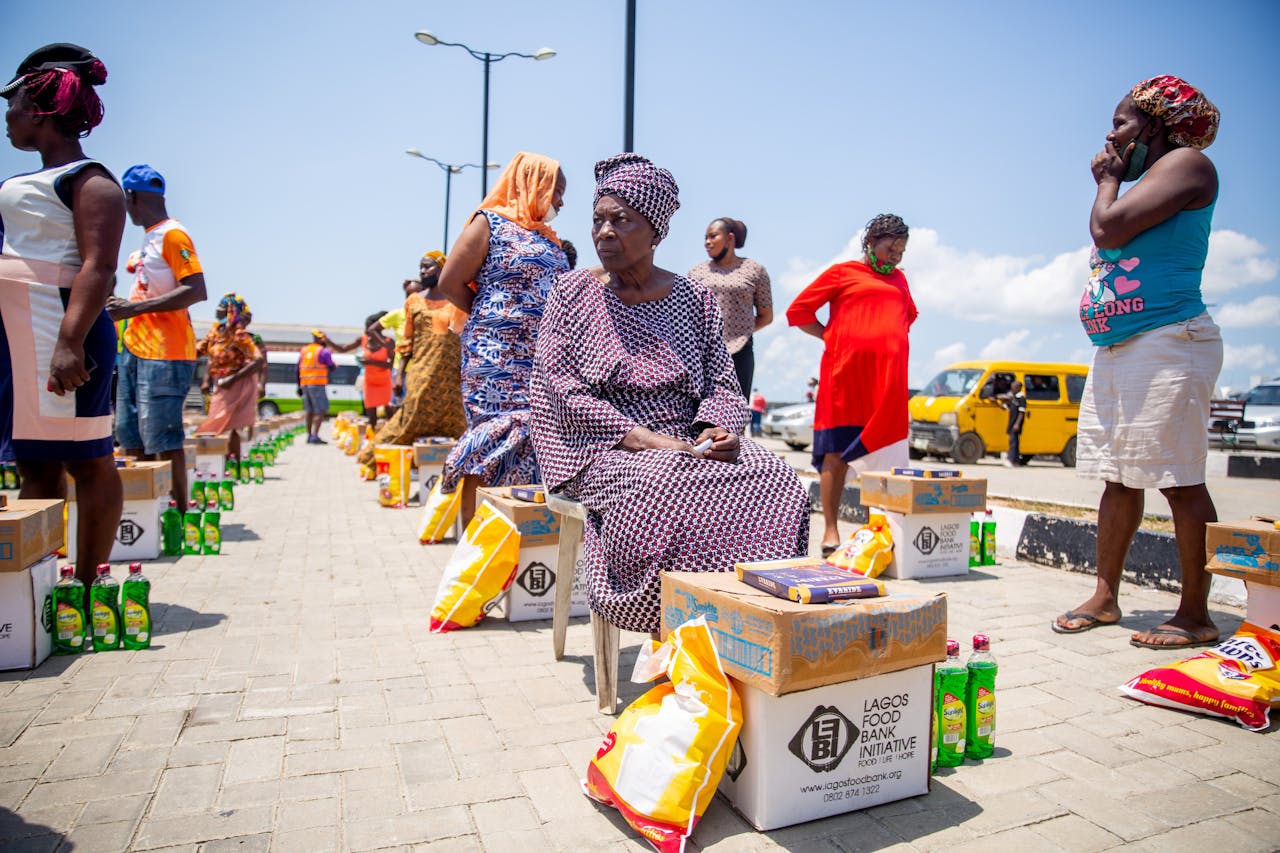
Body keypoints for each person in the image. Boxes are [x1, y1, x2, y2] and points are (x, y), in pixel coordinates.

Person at [531, 153, 810, 634]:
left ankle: (749, 617)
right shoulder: (571, 292)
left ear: (656, 232)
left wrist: (716, 429)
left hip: (686, 440)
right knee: (662, 483)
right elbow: (559, 387)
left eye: (621, 220)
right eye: (598, 220)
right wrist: (644, 439)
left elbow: (723, 380)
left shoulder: (693, 297)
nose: (604, 232)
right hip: (596, 445)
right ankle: (674, 616)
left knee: (775, 476)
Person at [1054, 76, 1224, 650]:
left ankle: (1195, 614)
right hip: (1122, 346)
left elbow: (1108, 228)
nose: (1111, 133)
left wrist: (1107, 181)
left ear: (1156, 125)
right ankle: (1105, 597)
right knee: (1119, 478)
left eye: (1122, 122)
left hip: (1171, 339)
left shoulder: (1187, 164)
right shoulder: (1147, 177)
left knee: (1179, 479)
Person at [0, 43, 124, 604]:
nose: (7, 114)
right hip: (20, 339)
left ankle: (90, 585)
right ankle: (39, 592)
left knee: (87, 459)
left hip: (59, 335)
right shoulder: (33, 179)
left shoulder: (90, 180)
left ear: (42, 109)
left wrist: (69, 343)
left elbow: (98, 267)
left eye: (15, 102)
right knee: (35, 460)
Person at [438, 152, 568, 523]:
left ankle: (516, 537)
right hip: (494, 357)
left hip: (540, 358)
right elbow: (450, 282)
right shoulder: (489, 223)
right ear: (532, 184)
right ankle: (472, 541)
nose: (560, 201)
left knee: (531, 439)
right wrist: (494, 318)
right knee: (493, 438)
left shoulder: (546, 236)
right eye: (556, 190)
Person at [787, 214, 916, 557]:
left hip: (885, 388)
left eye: (902, 250)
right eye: (891, 247)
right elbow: (799, 311)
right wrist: (831, 334)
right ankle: (830, 530)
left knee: (885, 459)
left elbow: (906, 319)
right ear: (872, 241)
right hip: (844, 381)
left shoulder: (901, 280)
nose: (896, 256)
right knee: (835, 455)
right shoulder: (843, 273)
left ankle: (881, 534)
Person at [106, 163, 207, 507]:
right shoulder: (150, 239)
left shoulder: (172, 234)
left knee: (163, 437)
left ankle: (178, 512)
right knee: (129, 436)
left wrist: (132, 309)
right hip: (135, 347)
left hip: (165, 352)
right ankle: (143, 510)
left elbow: (195, 289)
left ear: (130, 197)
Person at [357, 252, 466, 468]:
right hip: (422, 373)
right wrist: (399, 377)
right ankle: (373, 458)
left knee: (456, 424)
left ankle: (450, 468)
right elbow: (406, 342)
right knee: (409, 421)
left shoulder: (456, 299)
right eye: (421, 267)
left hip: (451, 378)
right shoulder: (415, 301)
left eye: (428, 267)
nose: (423, 272)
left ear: (443, 269)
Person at [687, 217, 773, 398]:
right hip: (703, 352)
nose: (707, 242)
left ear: (730, 239)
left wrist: (741, 332)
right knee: (701, 411)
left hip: (741, 351)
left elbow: (766, 316)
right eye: (705, 238)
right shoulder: (696, 273)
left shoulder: (755, 270)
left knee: (736, 411)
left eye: (713, 236)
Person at [195, 293, 263, 462]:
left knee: (231, 426)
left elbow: (259, 360)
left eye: (223, 308)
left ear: (232, 312)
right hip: (220, 383)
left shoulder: (239, 335)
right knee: (219, 424)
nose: (218, 310)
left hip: (239, 384)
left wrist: (233, 379)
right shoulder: (215, 331)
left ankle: (234, 464)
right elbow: (201, 352)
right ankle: (223, 462)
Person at [323, 315, 393, 426]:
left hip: (384, 381)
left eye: (370, 327)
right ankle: (372, 438)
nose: (367, 331)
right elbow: (343, 349)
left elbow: (391, 365)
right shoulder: (363, 339)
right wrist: (327, 341)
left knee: (389, 412)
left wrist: (370, 363)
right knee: (371, 414)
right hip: (369, 381)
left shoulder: (388, 342)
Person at [297, 330, 335, 443]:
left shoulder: (304, 350)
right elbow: (331, 366)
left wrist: (298, 385)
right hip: (317, 383)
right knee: (320, 410)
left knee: (309, 411)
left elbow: (297, 369)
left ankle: (309, 436)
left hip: (305, 384)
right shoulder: (323, 351)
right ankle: (315, 436)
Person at [998, 380, 1028, 467]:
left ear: (1018, 388)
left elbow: (1022, 412)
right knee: (1015, 442)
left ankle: (1011, 459)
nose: (1012, 389)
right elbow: (1009, 407)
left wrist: (1017, 424)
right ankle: (1016, 461)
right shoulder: (1014, 397)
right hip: (1012, 422)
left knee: (1013, 442)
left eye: (1013, 388)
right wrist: (1000, 404)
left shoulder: (1021, 398)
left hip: (1016, 423)